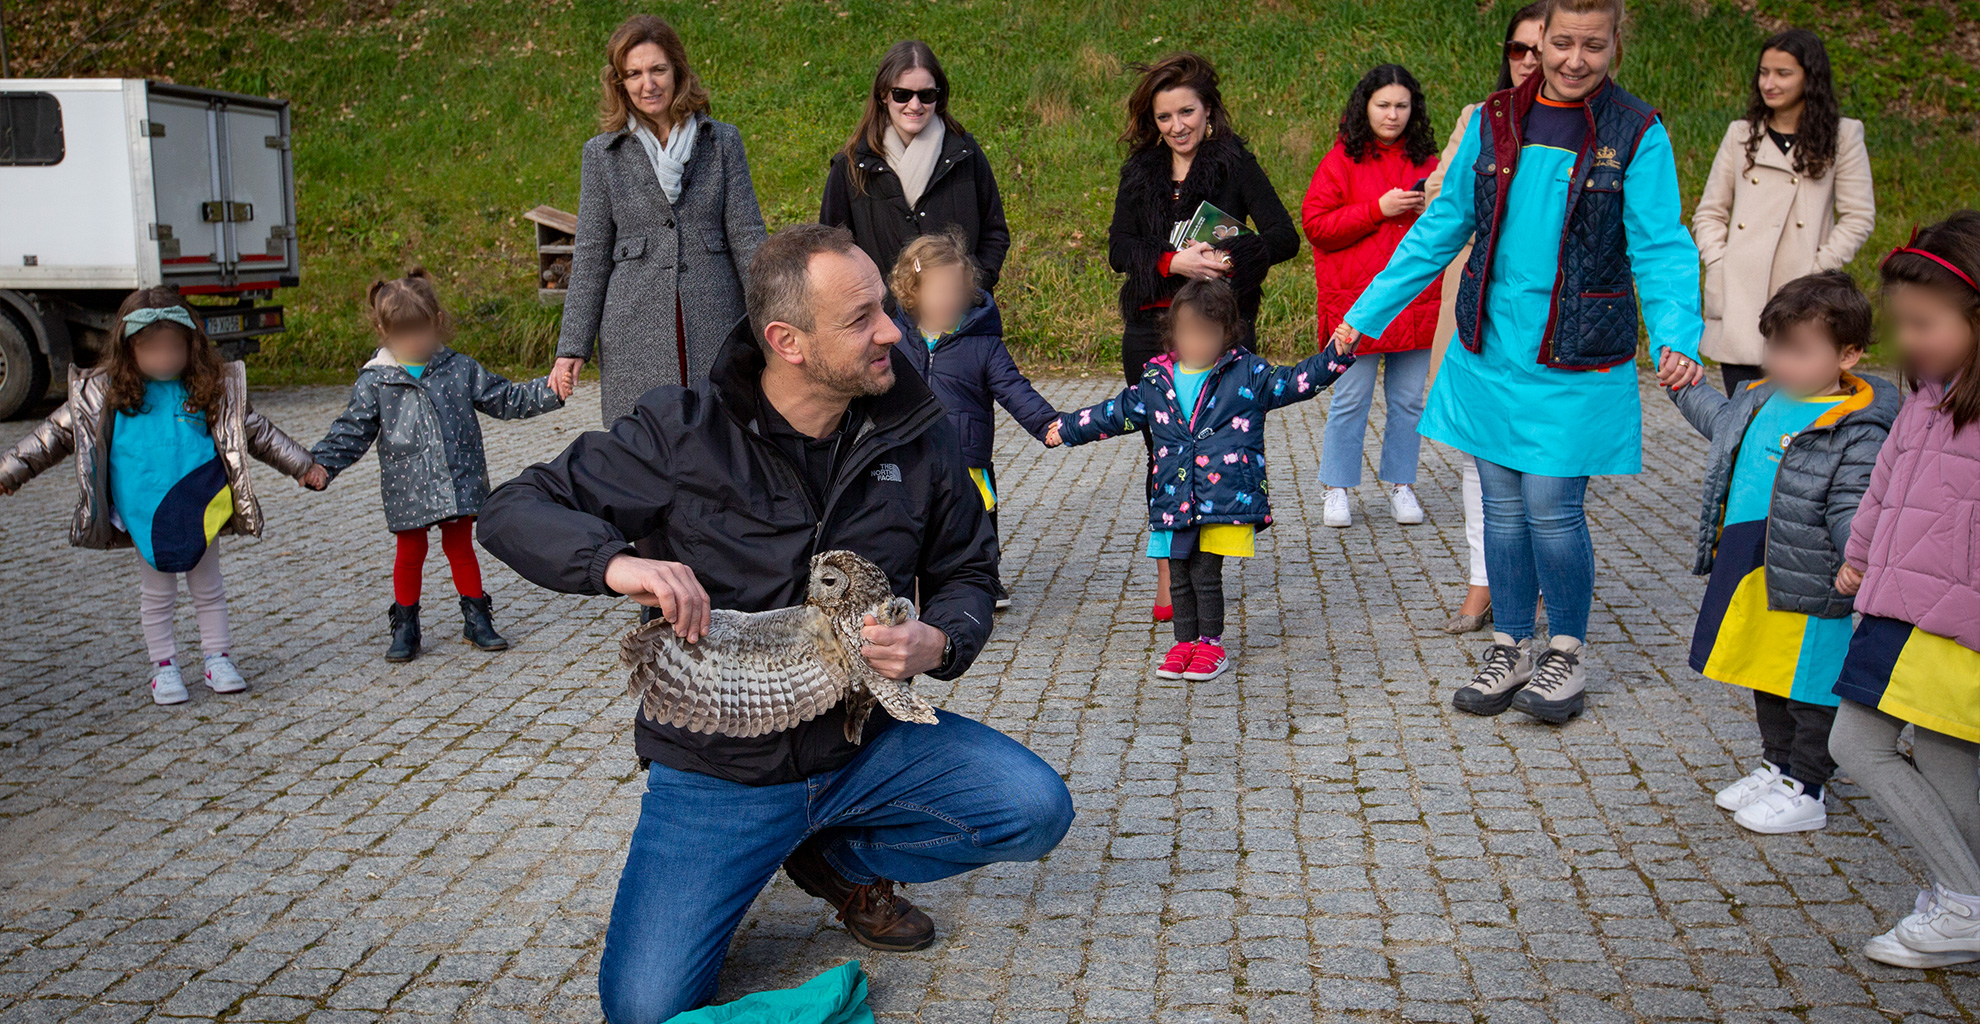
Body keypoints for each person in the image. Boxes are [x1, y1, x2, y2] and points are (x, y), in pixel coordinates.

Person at [476, 224, 1074, 1022]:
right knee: (644, 1011)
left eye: (885, 309)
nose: (893, 330)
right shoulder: (682, 430)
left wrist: (943, 638)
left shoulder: (918, 426)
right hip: (720, 774)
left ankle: (835, 856)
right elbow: (513, 508)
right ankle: (762, 851)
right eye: (862, 318)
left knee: (1035, 809)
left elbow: (968, 568)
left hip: (865, 745)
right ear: (788, 341)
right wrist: (619, 565)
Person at [1332, 0, 1706, 725]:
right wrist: (1362, 316)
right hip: (1489, 347)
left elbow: (1661, 244)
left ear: (1615, 44)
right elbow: (1440, 230)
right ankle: (1510, 644)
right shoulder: (1494, 119)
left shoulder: (1638, 132)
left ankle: (1565, 650)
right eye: (1559, 42)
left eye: (1591, 45)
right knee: (1501, 509)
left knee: (1551, 508)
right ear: (1537, 42)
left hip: (1574, 354)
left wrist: (1677, 333)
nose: (1572, 59)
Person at [0, 289, 323, 703]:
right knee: (157, 594)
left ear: (192, 345)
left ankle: (217, 658)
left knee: (209, 587)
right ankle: (164, 667)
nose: (165, 359)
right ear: (127, 349)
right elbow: (53, 435)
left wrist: (302, 464)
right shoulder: (102, 393)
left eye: (174, 348)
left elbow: (256, 431)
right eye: (152, 350)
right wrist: (10, 471)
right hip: (145, 510)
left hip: (200, 505)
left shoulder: (210, 386)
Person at [1666, 271, 1895, 834]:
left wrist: (1857, 557)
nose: (1780, 361)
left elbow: (1852, 502)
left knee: (1812, 688)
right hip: (1755, 564)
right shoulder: (1762, 397)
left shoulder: (1857, 427)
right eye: (1775, 346)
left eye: (1798, 351)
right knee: (1766, 673)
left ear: (1850, 353)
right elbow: (1722, 426)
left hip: (1816, 577)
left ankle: (1808, 787)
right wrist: (1681, 386)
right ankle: (1776, 765)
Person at [1048, 278, 1354, 682]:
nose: (1196, 342)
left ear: (1227, 334)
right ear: (1172, 334)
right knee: (1178, 574)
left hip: (1221, 497)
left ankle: (1211, 644)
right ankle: (1183, 642)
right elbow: (1114, 412)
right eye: (1188, 332)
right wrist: (1068, 427)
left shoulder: (1247, 373)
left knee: (1206, 574)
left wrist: (1335, 355)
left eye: (1206, 333)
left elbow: (1296, 381)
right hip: (1174, 497)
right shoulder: (1157, 380)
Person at [1828, 211, 1980, 969]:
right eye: (1902, 324)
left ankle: (1964, 900)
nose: (1909, 340)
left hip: (1950, 619)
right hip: (1899, 601)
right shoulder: (1928, 392)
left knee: (1854, 741)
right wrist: (1860, 555)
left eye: (1926, 323)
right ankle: (1967, 897)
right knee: (1953, 762)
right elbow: (1885, 487)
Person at [1108, 51, 1301, 622]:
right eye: (1165, 117)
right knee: (1161, 455)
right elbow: (1120, 249)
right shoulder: (1139, 172)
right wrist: (1174, 262)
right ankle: (1170, 574)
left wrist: (1223, 257)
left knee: (1213, 457)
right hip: (1150, 330)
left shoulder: (1236, 164)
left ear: (1209, 110)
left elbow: (1284, 237)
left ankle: (1204, 572)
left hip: (1216, 340)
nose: (1178, 126)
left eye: (1187, 112)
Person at [311, 269, 566, 662]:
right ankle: (406, 626)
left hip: (457, 479)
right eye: (404, 335)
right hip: (406, 485)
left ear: (438, 322)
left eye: (422, 332)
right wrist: (321, 465)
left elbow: (505, 397)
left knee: (460, 546)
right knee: (409, 552)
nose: (415, 342)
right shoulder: (375, 381)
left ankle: (476, 619)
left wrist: (549, 390)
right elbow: (351, 431)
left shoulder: (460, 368)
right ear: (383, 330)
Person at [551, 14, 768, 423]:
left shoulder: (721, 141)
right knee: (645, 450)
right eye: (633, 74)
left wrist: (775, 317)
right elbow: (591, 255)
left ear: (678, 72)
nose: (647, 84)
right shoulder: (602, 154)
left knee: (724, 438)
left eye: (657, 70)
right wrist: (571, 348)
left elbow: (748, 237)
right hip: (634, 327)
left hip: (716, 317)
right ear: (620, 83)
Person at [1423, 0, 1548, 634]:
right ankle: (1483, 579)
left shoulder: (1591, 122)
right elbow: (1439, 196)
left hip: (1546, 313)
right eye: (1517, 49)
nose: (1528, 60)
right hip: (1475, 304)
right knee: (1477, 455)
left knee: (1543, 460)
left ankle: (1542, 583)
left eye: (1538, 46)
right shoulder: (1479, 118)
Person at [1693, 28, 1876, 394]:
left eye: (1783, 73)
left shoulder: (1842, 137)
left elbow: (1858, 216)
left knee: (1798, 423)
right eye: (1763, 72)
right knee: (1743, 422)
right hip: (1741, 297)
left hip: (1804, 296)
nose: (1769, 83)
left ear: (1810, 77)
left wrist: (1819, 269)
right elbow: (1709, 213)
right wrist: (1719, 263)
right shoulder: (1741, 134)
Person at [889, 228, 1060, 610]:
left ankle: (985, 578)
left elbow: (1015, 389)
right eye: (939, 291)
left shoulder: (983, 342)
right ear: (912, 292)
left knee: (978, 517)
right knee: (917, 520)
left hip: (966, 453)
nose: (949, 299)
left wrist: (1047, 423)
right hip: (911, 453)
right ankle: (918, 584)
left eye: (956, 291)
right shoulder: (895, 338)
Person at [1303, 63, 1441, 529]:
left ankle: (1402, 485)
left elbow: (1456, 220)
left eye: (1402, 105)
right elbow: (1316, 225)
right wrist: (1377, 209)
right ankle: (1337, 488)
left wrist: (1429, 207)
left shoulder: (1430, 161)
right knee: (1349, 400)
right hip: (1355, 304)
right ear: (1365, 106)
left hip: (1416, 303)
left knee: (1407, 403)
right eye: (1383, 104)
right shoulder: (1341, 159)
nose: (1393, 114)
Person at [821, 40, 1010, 293]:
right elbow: (833, 251)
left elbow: (994, 230)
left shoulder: (965, 154)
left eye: (926, 95)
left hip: (961, 317)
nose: (915, 105)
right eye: (902, 94)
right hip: (886, 324)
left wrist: (974, 287)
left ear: (939, 96)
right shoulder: (851, 167)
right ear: (883, 95)